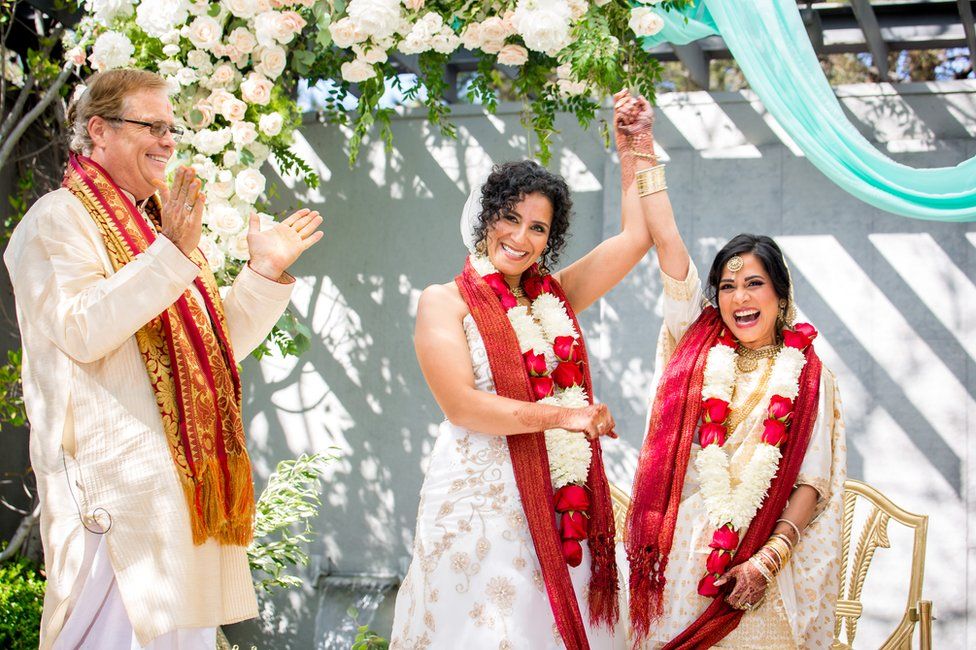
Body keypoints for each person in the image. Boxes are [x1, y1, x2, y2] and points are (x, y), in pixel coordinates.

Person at [3, 68, 324, 649]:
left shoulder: (157, 228)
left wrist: (264, 272)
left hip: (179, 490)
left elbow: (213, 343)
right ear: (98, 130)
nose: (168, 141)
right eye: (152, 125)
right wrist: (170, 253)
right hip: (111, 488)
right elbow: (81, 328)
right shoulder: (57, 219)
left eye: (172, 128)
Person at [390, 93, 658, 649]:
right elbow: (460, 406)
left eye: (538, 228)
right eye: (510, 218)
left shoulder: (551, 299)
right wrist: (566, 415)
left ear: (550, 239)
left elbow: (637, 237)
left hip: (558, 496)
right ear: (484, 217)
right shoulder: (443, 301)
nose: (521, 236)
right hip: (479, 502)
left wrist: (636, 147)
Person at [619, 93, 847, 648]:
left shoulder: (809, 373)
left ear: (781, 295)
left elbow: (812, 479)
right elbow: (669, 248)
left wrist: (766, 560)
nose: (739, 297)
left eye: (754, 283)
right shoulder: (696, 348)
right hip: (685, 552)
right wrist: (641, 150)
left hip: (765, 560)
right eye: (726, 285)